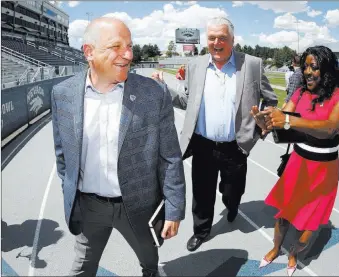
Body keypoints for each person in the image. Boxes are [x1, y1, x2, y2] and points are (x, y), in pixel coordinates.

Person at [50, 17, 186, 277]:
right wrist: (73, 192)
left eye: (130, 46)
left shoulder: (154, 93)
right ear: (89, 52)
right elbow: (62, 154)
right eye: (116, 46)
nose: (128, 54)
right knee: (81, 269)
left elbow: (169, 156)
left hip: (140, 205)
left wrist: (174, 207)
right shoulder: (62, 94)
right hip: (89, 207)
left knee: (150, 264)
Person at [173, 16, 278, 252]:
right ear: (206, 40)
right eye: (212, 38)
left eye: (222, 38)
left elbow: (271, 100)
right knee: (202, 192)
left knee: (233, 191)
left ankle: (231, 204)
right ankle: (201, 231)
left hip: (236, 146)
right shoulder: (195, 65)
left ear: (232, 40)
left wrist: (260, 129)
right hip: (203, 144)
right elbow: (187, 101)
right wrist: (163, 90)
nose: (216, 42)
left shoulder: (252, 64)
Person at [252, 45, 339, 276]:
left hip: (324, 171)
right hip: (298, 164)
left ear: (326, 70)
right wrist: (265, 123)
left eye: (313, 67)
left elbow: (330, 128)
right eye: (305, 66)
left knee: (308, 229)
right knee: (283, 217)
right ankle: (276, 248)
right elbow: (282, 123)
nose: (307, 71)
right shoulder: (300, 93)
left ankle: (294, 253)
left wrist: (288, 120)